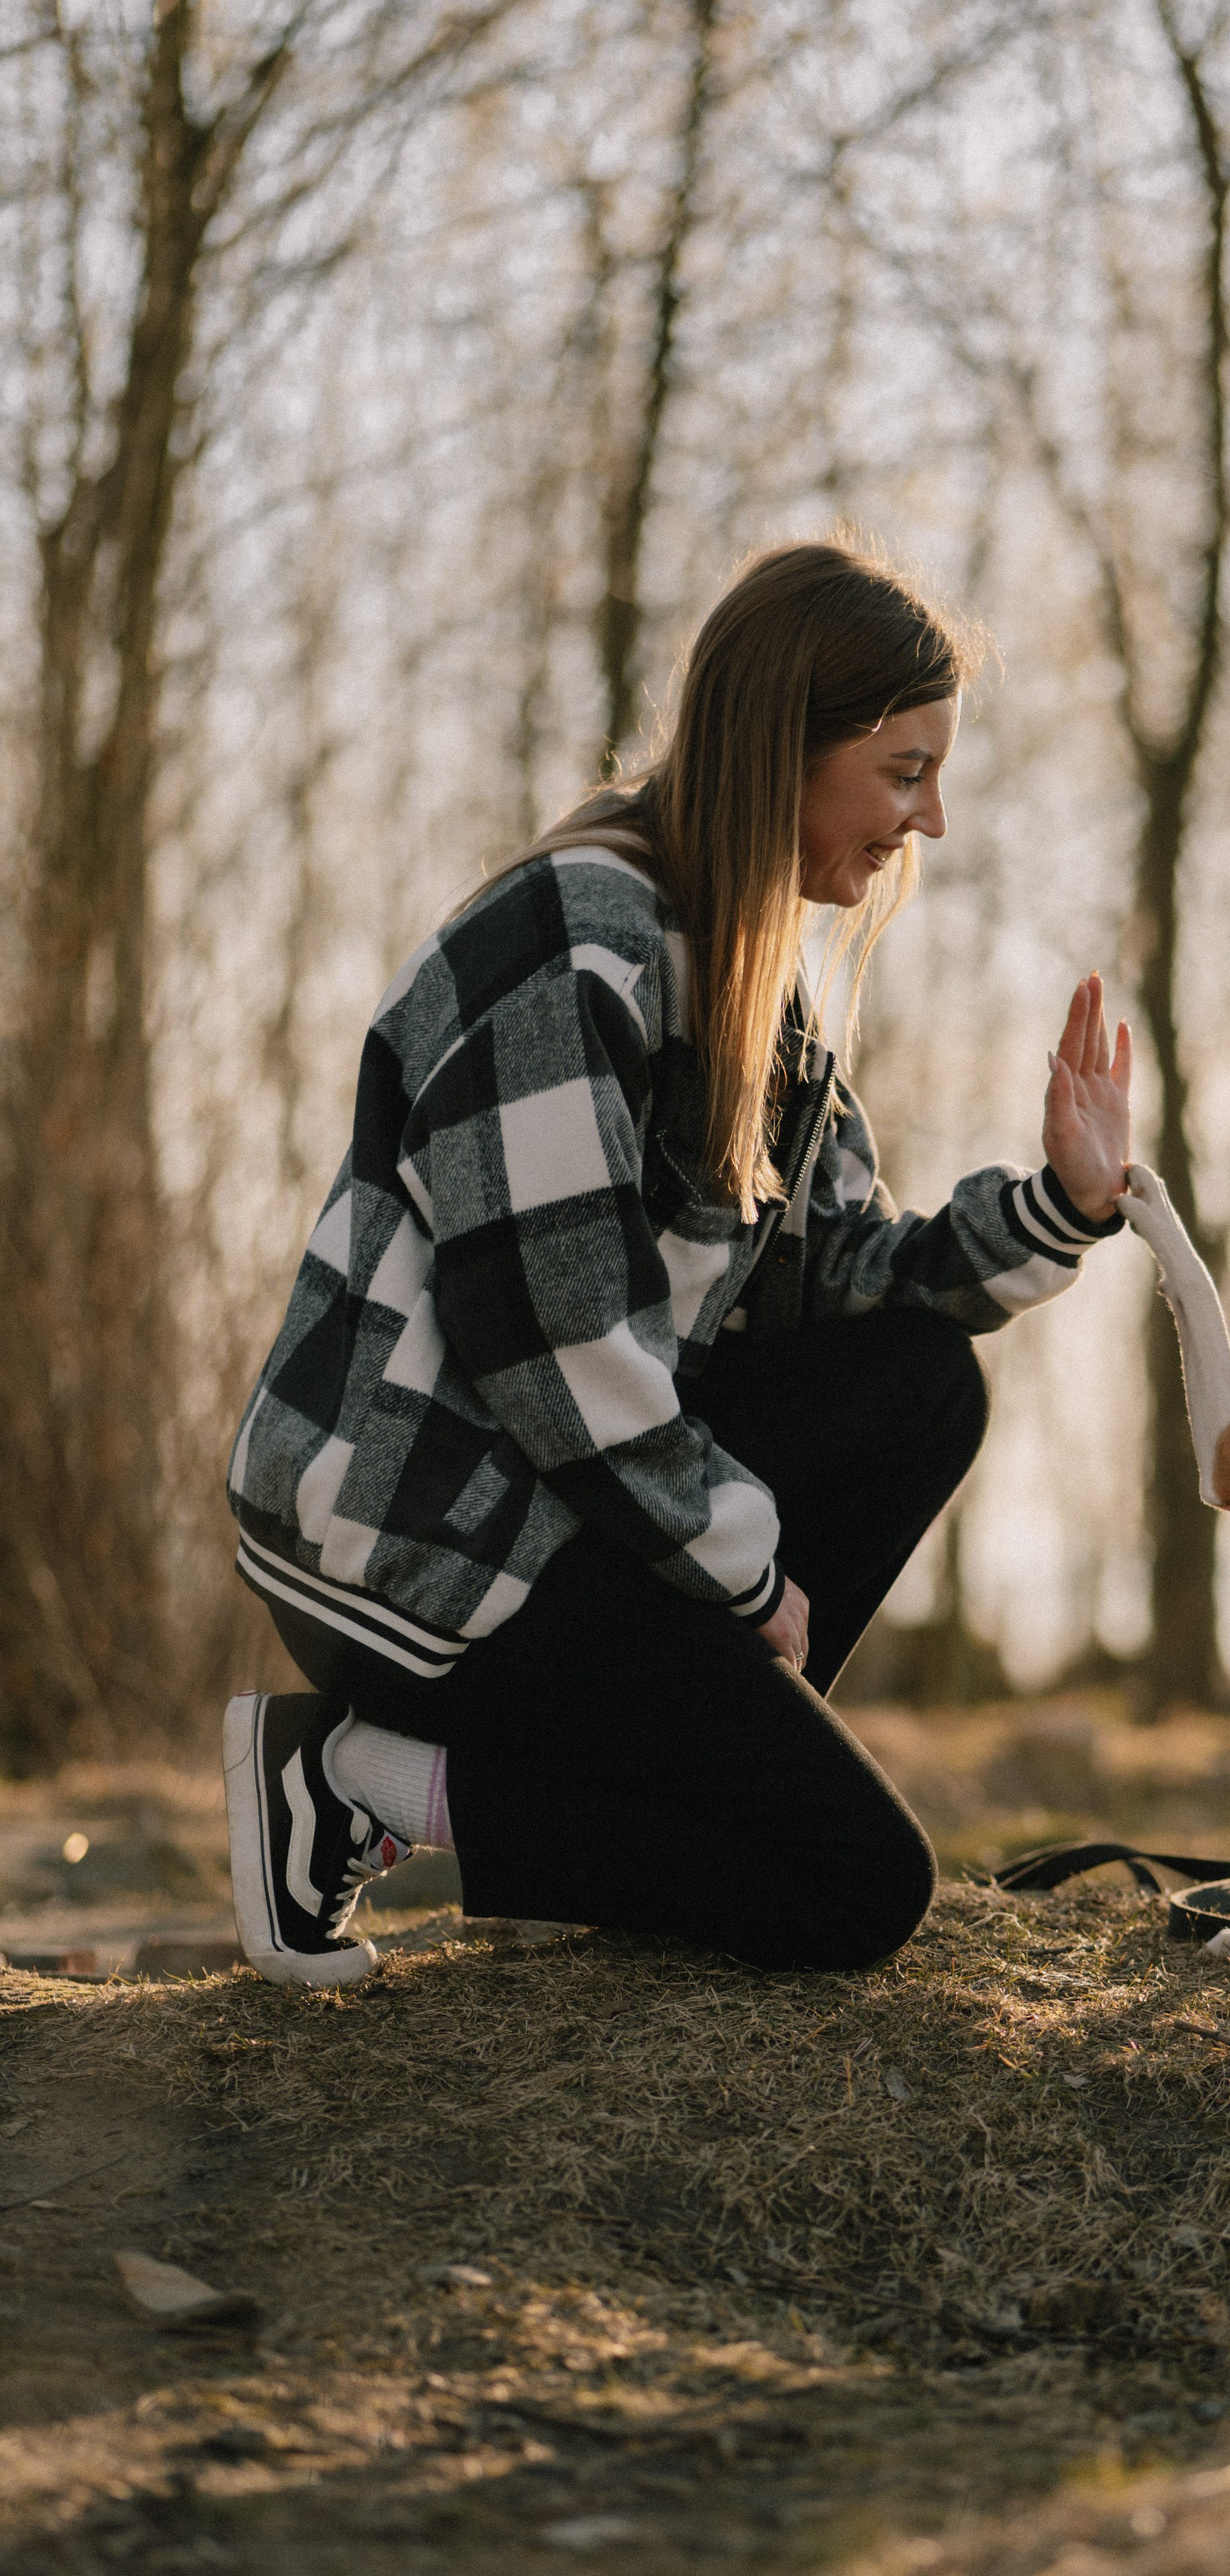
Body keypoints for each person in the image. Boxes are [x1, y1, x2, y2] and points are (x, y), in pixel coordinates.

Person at [222, 537, 1133, 1987]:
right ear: (788, 749)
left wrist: (1061, 1208)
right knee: (857, 1885)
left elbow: (846, 1269)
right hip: (406, 1537)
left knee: (920, 1382)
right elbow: (550, 1332)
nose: (932, 819)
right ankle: (351, 1780)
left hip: (557, 1511)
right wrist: (740, 1566)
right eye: (905, 772)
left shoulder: (756, 991)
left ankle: (683, 1803)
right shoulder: (569, 939)